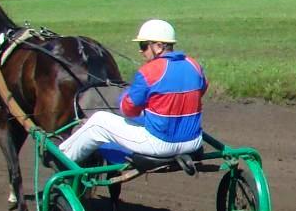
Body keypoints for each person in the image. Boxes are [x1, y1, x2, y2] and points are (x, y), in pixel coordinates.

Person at [56, 19, 207, 165]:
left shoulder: (149, 71)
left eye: (143, 46)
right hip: (194, 142)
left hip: (160, 144)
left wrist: (124, 99)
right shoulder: (194, 65)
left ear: (159, 46)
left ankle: (62, 158)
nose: (141, 51)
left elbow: (129, 110)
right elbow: (201, 89)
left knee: (99, 121)